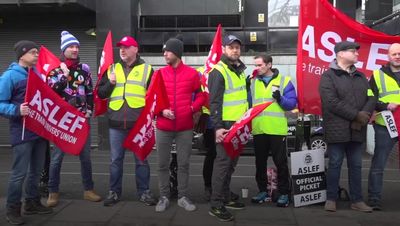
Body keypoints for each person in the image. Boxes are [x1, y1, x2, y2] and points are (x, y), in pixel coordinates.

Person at [97, 35, 157, 207]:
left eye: (126, 46)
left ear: (135, 49)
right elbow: (101, 93)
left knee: (141, 160)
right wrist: (111, 82)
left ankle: (144, 192)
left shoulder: (147, 69)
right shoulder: (112, 68)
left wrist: (152, 119)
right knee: (115, 160)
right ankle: (114, 192)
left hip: (138, 125)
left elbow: (154, 96)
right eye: (120, 47)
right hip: (116, 124)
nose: (122, 50)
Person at [319, 41, 376, 212]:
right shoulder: (328, 76)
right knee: (335, 163)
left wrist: (363, 115)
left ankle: (357, 200)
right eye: (353, 51)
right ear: (341, 54)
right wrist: (355, 115)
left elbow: (371, 97)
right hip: (337, 129)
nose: (357, 54)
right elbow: (331, 102)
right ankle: (331, 198)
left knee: (356, 165)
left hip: (357, 129)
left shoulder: (361, 76)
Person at [46, 31, 101, 207]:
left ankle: (88, 190)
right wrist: (63, 74)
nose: (75, 49)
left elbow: (90, 91)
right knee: (57, 158)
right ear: (64, 49)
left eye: (77, 46)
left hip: (81, 120)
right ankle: (53, 192)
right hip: (62, 122)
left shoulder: (84, 68)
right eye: (71, 46)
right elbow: (52, 90)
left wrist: (89, 110)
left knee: (85, 157)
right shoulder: (54, 69)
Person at [1, 40, 53, 225]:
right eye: (33, 52)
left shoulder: (36, 74)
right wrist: (16, 110)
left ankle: (32, 202)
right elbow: (0, 103)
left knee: (36, 171)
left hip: (38, 132)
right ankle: (12, 208)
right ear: (22, 55)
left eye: (37, 52)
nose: (36, 55)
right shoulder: (9, 77)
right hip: (22, 133)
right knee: (19, 173)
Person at [155, 37, 206, 212]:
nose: (164, 54)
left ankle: (183, 196)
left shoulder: (192, 74)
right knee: (162, 164)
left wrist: (192, 108)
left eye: (167, 51)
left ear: (176, 52)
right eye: (164, 51)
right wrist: (162, 111)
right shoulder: (159, 74)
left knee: (184, 164)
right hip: (163, 127)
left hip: (185, 127)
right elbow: (152, 99)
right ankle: (164, 197)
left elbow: (201, 96)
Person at [207, 35, 248, 222]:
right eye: (231, 47)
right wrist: (217, 128)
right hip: (225, 126)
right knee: (222, 165)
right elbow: (214, 102)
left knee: (231, 164)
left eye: (237, 47)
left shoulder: (239, 70)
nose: (235, 50)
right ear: (224, 49)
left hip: (239, 125)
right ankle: (216, 204)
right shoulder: (219, 71)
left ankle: (225, 196)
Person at [250, 54, 297, 207]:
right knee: (260, 163)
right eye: (255, 65)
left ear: (269, 64)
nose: (256, 69)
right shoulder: (252, 82)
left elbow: (292, 104)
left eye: (259, 65)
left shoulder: (284, 81)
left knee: (281, 163)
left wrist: (281, 99)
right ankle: (262, 190)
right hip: (259, 128)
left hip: (277, 129)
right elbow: (249, 104)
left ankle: (284, 193)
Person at [368, 43, 400, 211]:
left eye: (399, 53)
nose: (397, 56)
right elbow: (370, 98)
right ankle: (374, 199)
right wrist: (385, 105)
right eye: (394, 53)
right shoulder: (377, 75)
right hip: (385, 126)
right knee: (378, 163)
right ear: (388, 56)